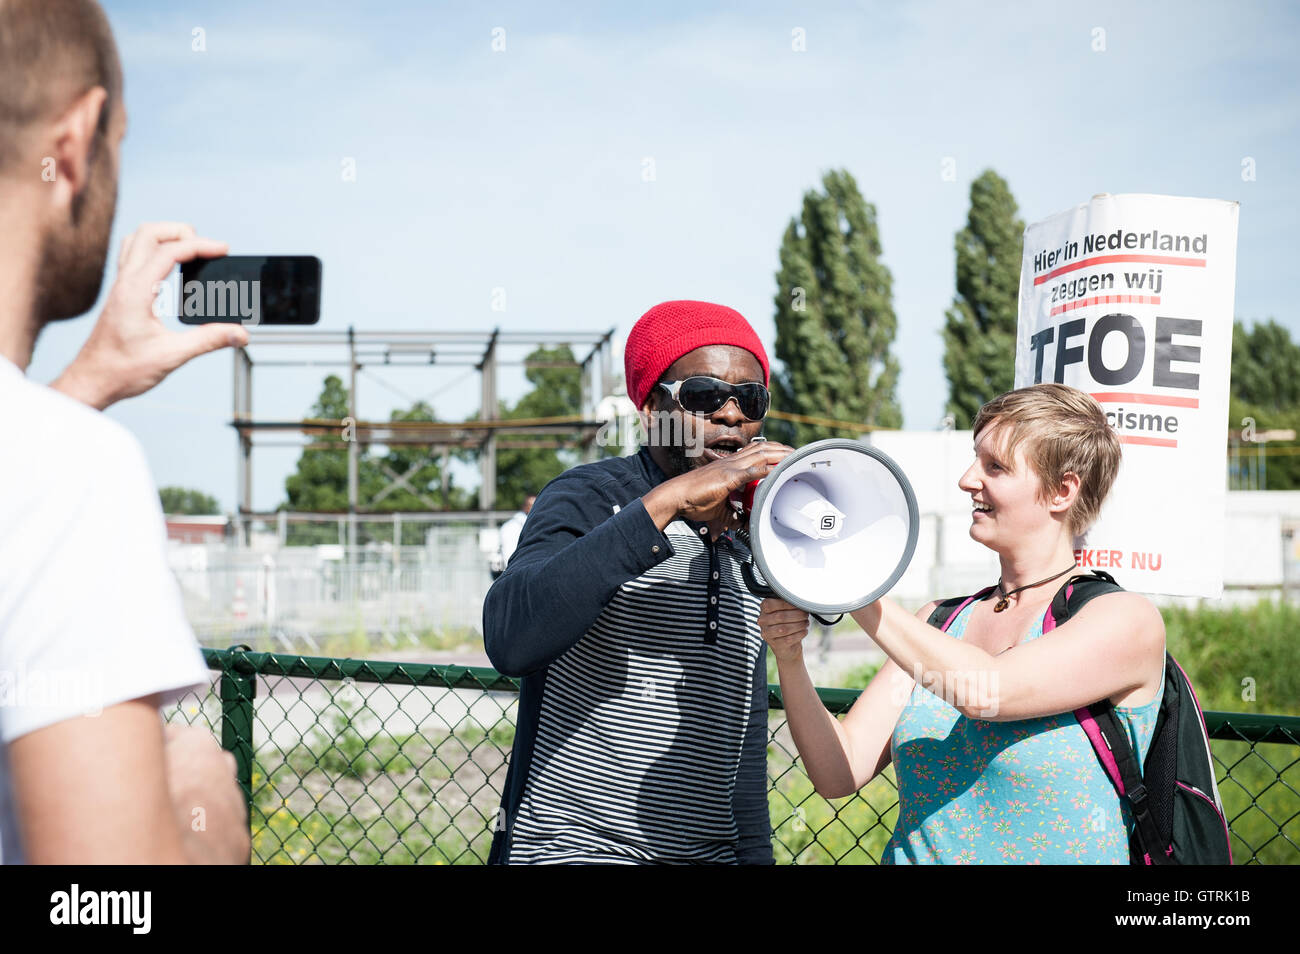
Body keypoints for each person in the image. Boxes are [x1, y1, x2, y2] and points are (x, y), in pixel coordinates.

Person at [0, 0, 251, 863]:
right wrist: (202, 813)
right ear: (76, 139)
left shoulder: (42, 453)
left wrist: (83, 384)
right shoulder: (65, 469)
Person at [759, 383, 1166, 864]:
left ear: (1062, 490)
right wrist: (789, 657)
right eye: (976, 459)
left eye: (995, 466)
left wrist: (856, 583)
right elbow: (839, 771)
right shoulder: (939, 621)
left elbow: (985, 692)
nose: (968, 479)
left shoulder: (1123, 619)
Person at [483, 300, 793, 864]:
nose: (730, 415)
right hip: (575, 848)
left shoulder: (759, 528)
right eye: (703, 395)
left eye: (750, 400)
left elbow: (743, 736)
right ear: (651, 408)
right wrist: (666, 503)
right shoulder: (589, 496)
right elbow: (510, 636)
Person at [490, 493, 535, 580]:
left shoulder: (529, 525)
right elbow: (509, 556)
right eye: (531, 505)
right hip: (513, 576)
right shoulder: (512, 527)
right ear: (524, 507)